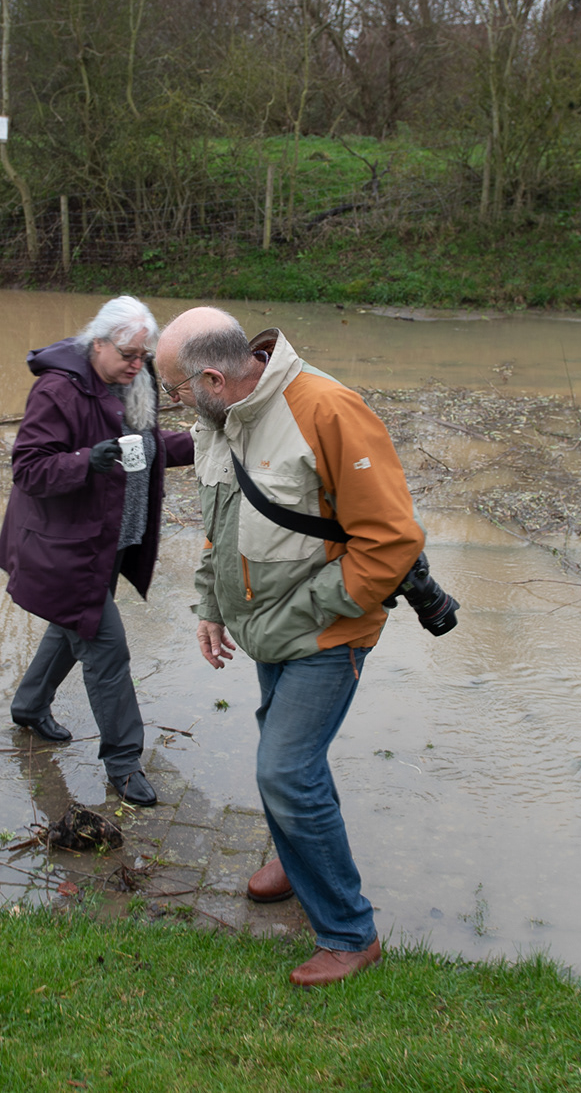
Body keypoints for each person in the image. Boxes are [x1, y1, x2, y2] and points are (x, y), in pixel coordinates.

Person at [156, 306, 425, 986]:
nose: (175, 403)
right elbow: (221, 517)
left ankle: (348, 931)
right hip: (264, 626)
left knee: (285, 768)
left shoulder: (329, 410)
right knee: (285, 749)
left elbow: (390, 542)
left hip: (326, 629)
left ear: (213, 376)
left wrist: (306, 612)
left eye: (176, 390)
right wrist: (211, 607)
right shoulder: (223, 420)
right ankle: (296, 854)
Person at [0, 296, 194, 808]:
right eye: (128, 353)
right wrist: (86, 460)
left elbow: (146, 447)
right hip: (65, 551)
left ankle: (29, 707)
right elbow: (29, 469)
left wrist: (203, 442)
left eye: (143, 356)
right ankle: (124, 765)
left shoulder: (129, 384)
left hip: (105, 544)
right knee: (106, 649)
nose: (137, 363)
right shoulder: (58, 389)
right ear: (97, 343)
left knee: (73, 626)